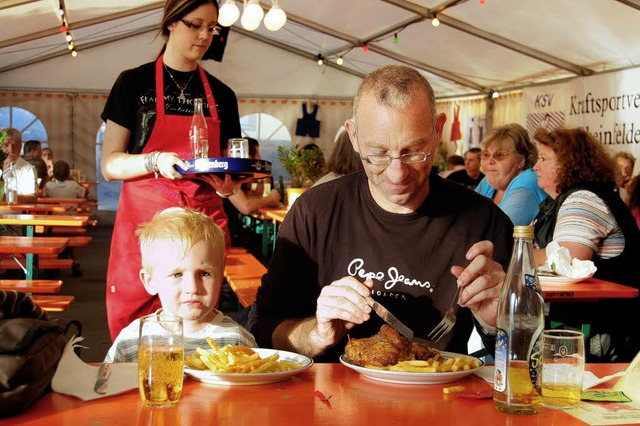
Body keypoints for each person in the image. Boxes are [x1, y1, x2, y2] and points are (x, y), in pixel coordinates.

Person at [247, 65, 513, 362]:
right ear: (354, 137)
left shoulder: (484, 222)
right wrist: (315, 335)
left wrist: (496, 324)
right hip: (327, 401)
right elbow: (262, 328)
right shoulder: (315, 212)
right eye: (378, 153)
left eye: (414, 150)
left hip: (439, 401)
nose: (397, 173)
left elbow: (526, 356)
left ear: (438, 131)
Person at [100, 0, 244, 340]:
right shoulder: (133, 84)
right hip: (144, 226)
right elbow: (110, 164)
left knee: (198, 324)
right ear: (171, 24)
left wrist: (228, 187)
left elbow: (227, 168)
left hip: (202, 223)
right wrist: (155, 160)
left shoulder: (223, 95)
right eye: (196, 25)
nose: (205, 36)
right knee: (134, 329)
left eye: (212, 28)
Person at [532, 127, 640, 362]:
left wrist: (522, 255)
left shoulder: (583, 199)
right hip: (586, 325)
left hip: (599, 332)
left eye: (543, 158)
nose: (535, 167)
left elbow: (566, 259)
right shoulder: (569, 199)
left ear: (568, 163)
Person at [104, 207, 257, 363]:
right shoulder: (132, 340)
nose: (193, 288)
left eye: (205, 274)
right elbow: (107, 384)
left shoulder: (237, 340)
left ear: (220, 278)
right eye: (177, 275)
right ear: (150, 282)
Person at [475, 123, 547, 225]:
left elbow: (499, 231)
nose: (490, 161)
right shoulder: (488, 181)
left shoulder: (528, 181)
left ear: (521, 160)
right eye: (485, 155)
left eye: (500, 155)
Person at [0, 127, 38, 204]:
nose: (10, 150)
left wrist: (7, 198)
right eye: (5, 145)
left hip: (17, 214)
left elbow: (32, 198)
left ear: (20, 147)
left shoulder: (28, 169)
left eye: (14, 145)